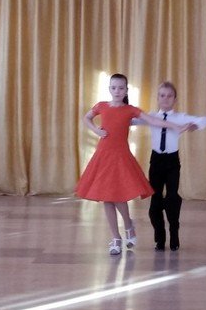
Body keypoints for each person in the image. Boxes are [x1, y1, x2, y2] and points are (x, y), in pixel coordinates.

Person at [77, 73, 189, 255]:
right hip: (103, 157)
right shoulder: (102, 106)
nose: (117, 91)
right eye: (114, 87)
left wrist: (175, 126)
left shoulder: (130, 110)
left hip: (121, 157)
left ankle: (128, 224)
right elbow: (86, 118)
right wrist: (96, 130)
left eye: (121, 88)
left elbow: (154, 120)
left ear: (126, 90)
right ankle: (116, 238)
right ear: (109, 89)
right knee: (106, 198)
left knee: (118, 196)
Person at [134, 81, 206, 251]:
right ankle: (159, 238)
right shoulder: (151, 116)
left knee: (172, 199)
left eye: (169, 96)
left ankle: (174, 233)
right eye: (162, 95)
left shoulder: (180, 117)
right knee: (155, 201)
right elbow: (132, 120)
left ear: (175, 99)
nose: (165, 99)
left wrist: (194, 125)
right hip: (156, 161)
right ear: (157, 98)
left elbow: (205, 120)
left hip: (172, 161)